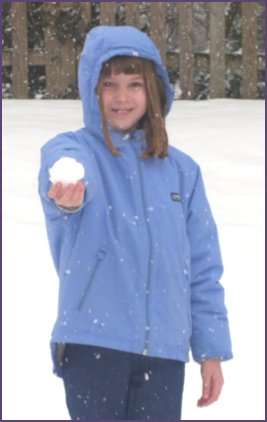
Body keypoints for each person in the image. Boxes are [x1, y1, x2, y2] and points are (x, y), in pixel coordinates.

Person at [38, 26, 233, 420]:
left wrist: (210, 348)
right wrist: (67, 184)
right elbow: (58, 161)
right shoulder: (78, 152)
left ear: (154, 90)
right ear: (92, 90)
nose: (122, 97)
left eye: (134, 84)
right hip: (94, 345)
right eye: (109, 83)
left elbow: (202, 268)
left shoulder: (182, 172)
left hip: (164, 353)